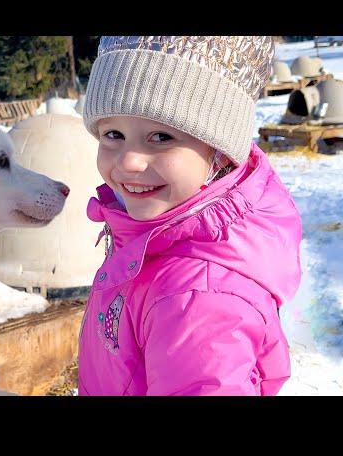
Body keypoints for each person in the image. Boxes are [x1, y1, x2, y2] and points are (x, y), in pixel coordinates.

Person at [77, 36, 302, 396]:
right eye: (113, 134)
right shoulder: (150, 234)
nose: (129, 161)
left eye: (161, 136)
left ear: (220, 154)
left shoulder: (198, 298)